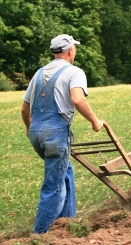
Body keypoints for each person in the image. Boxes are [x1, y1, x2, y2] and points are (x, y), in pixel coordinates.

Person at [20, 34, 104, 234]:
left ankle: (67, 225)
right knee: (54, 187)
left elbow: (24, 109)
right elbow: (77, 99)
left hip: (36, 133)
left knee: (65, 171)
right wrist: (95, 121)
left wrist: (30, 129)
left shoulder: (39, 73)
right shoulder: (74, 72)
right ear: (70, 51)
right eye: (74, 48)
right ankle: (40, 235)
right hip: (55, 135)